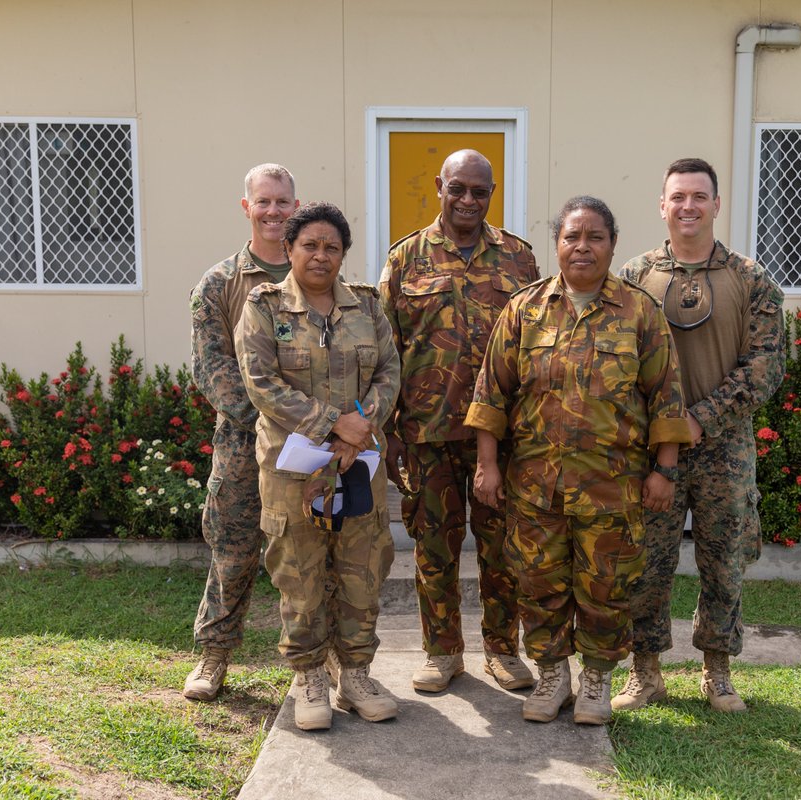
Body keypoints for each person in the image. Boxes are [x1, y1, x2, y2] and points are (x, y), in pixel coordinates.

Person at [465, 196, 690, 725]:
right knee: (538, 584)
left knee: (606, 589)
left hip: (613, 488)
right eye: (572, 237)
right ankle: (551, 676)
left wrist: (665, 471)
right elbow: (492, 393)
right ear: (558, 244)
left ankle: (595, 681)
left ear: (612, 244)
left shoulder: (640, 312)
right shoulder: (525, 309)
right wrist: (486, 464)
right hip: (535, 486)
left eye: (595, 237)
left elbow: (667, 396)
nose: (582, 247)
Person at [615, 158, 785, 713]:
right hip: (651, 451)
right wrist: (659, 426)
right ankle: (645, 672)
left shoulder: (750, 278)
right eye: (678, 197)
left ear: (716, 204)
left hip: (725, 449)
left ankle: (718, 670)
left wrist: (702, 417)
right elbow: (617, 363)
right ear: (662, 206)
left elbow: (766, 367)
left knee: (724, 561)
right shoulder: (634, 276)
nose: (688, 206)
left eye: (698, 196)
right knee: (646, 561)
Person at [235, 202, 401, 731]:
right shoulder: (264, 308)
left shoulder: (367, 307)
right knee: (299, 571)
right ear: (288, 249)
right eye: (309, 245)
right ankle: (309, 676)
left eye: (332, 247)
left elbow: (389, 372)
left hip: (358, 462)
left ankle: (355, 675)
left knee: (363, 569)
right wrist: (333, 426)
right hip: (293, 468)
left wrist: (360, 428)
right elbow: (262, 383)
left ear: (343, 253)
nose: (320, 255)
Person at [379, 149, 540, 693]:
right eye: (458, 188)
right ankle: (442, 653)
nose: (468, 200)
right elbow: (386, 350)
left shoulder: (518, 258)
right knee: (434, 549)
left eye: (479, 191)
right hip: (427, 434)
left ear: (491, 193)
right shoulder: (406, 258)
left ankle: (502, 650)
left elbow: (535, 345)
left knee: (502, 550)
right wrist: (390, 431)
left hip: (501, 435)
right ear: (439, 187)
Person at [185, 164, 299, 702]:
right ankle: (214, 655)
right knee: (232, 552)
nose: (273, 211)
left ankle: (318, 659)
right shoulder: (219, 283)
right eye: (263, 201)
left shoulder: (316, 273)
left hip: (307, 445)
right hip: (243, 445)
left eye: (282, 202)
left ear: (296, 207)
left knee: (309, 553)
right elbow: (211, 369)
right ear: (246, 207)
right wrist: (271, 422)